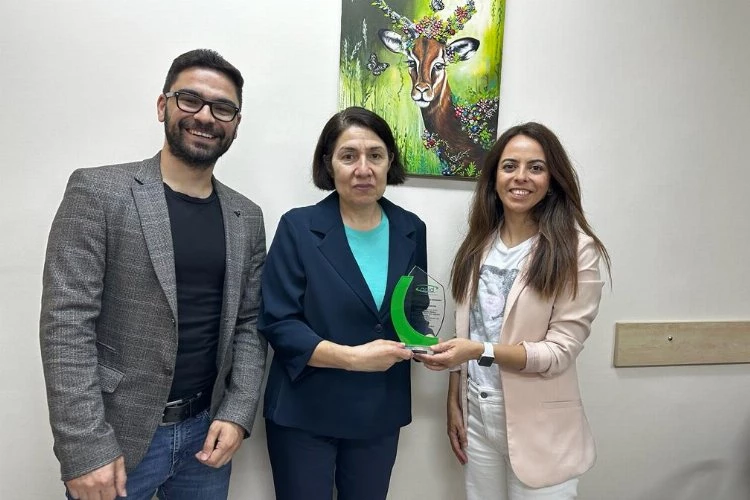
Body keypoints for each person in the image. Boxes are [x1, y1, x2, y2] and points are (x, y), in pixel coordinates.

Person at [39, 49, 267, 500]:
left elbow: (249, 324)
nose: (205, 116)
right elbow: (66, 325)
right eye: (190, 100)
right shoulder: (98, 192)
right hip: (115, 438)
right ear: (163, 106)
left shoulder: (247, 216)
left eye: (222, 108)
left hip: (206, 435)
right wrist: (84, 448)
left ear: (236, 124)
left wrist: (238, 412)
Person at [418, 122, 611, 499]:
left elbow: (558, 352)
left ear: (552, 180)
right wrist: (454, 399)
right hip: (477, 415)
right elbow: (467, 331)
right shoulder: (478, 244)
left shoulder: (577, 251)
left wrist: (480, 351)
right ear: (494, 178)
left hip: (541, 428)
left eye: (536, 167)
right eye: (509, 166)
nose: (521, 177)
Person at [257, 106, 427, 500]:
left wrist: (425, 346)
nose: (363, 169)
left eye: (375, 155)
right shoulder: (298, 227)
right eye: (349, 156)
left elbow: (413, 308)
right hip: (304, 410)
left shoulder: (411, 228)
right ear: (328, 164)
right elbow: (279, 322)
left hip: (380, 411)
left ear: (389, 162)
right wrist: (353, 358)